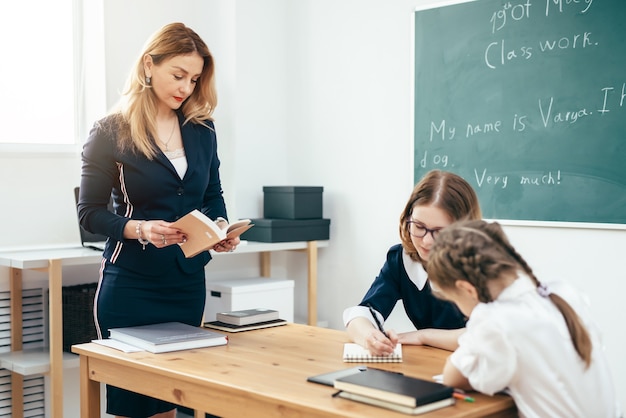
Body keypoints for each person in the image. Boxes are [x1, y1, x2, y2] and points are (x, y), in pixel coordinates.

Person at [77, 23, 236, 418]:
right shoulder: (110, 131)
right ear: (149, 65)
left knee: (173, 403)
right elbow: (88, 214)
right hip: (131, 285)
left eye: (194, 79)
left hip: (185, 283)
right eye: (177, 75)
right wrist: (140, 229)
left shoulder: (202, 130)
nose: (186, 87)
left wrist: (219, 229)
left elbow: (212, 193)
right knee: (134, 409)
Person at [427, 220, 621, 418]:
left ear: (467, 289)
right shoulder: (562, 292)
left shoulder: (494, 320)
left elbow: (451, 377)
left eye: (454, 300)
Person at [343, 170, 482, 355]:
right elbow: (362, 313)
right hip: (432, 365)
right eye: (419, 227)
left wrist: (423, 336)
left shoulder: (483, 266)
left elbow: (486, 336)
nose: (426, 241)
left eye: (439, 232)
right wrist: (369, 337)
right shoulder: (401, 259)